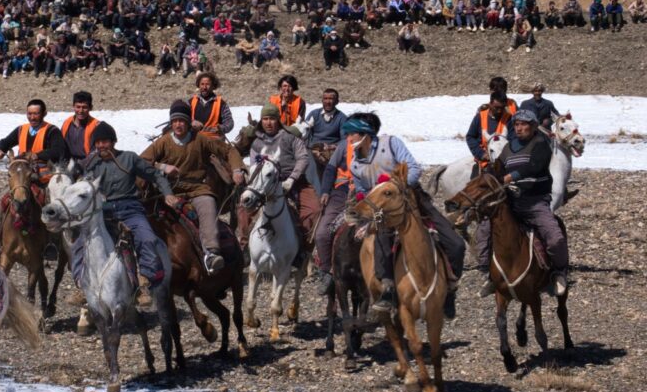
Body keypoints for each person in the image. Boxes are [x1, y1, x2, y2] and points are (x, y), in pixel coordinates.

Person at [323, 114, 464, 320]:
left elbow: (413, 168)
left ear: (364, 134)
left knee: (455, 243)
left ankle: (450, 289)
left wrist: (396, 187)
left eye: (352, 134)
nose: (349, 139)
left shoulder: (390, 144)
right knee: (380, 241)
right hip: (382, 210)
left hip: (412, 200)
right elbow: (363, 190)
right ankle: (387, 289)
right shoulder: (355, 164)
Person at [141, 100, 246, 274]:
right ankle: (149, 259)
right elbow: (142, 160)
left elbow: (229, 151)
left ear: (188, 122)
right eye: (174, 121)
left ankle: (211, 253)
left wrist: (236, 169)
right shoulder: (163, 142)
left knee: (208, 207)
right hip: (169, 190)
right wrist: (162, 167)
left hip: (197, 188)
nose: (178, 124)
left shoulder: (201, 139)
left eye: (181, 120)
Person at [78, 122, 175, 300]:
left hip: (131, 209)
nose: (101, 146)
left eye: (105, 141)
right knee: (84, 243)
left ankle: (144, 281)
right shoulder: (91, 164)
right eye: (97, 142)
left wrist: (168, 194)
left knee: (148, 238)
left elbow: (155, 175)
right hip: (104, 213)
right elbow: (82, 187)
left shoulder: (129, 158)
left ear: (113, 141)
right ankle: (82, 286)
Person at [477, 108, 569, 298]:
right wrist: (489, 178)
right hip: (511, 201)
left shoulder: (542, 144)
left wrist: (509, 177)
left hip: (535, 201)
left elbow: (533, 166)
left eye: (524, 124)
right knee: (484, 230)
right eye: (516, 124)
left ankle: (558, 272)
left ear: (533, 126)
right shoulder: (509, 148)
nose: (519, 128)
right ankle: (489, 274)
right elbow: (498, 168)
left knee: (554, 235)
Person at [238, 103, 322, 262]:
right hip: (265, 184)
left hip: (294, 181)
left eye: (272, 119)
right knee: (243, 207)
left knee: (314, 210)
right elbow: (255, 164)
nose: (268, 123)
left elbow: (303, 158)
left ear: (279, 120)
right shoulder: (257, 142)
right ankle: (244, 248)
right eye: (265, 119)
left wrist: (291, 179)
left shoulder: (290, 138)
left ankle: (304, 249)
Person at [0, 98, 66, 178]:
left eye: (36, 114)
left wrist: (38, 155)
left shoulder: (52, 131)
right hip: (23, 174)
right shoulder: (21, 129)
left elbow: (58, 151)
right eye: (29, 114)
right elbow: (5, 142)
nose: (32, 117)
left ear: (44, 114)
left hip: (45, 177)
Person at [467, 91, 515, 168]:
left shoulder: (509, 119)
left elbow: (513, 139)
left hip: (504, 161)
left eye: (502, 108)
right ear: (490, 104)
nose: (499, 111)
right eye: (496, 108)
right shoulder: (480, 117)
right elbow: (470, 137)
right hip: (483, 160)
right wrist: (481, 154)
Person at [189, 72, 233, 138]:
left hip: (214, 141)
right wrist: (191, 122)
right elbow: (182, 117)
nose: (204, 87)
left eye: (208, 84)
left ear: (213, 86)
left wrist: (221, 128)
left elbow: (229, 122)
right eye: (202, 84)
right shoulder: (191, 101)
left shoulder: (221, 103)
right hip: (194, 139)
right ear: (198, 85)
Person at [60, 91, 99, 160]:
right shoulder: (67, 123)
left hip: (89, 161)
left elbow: (97, 151)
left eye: (84, 107)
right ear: (73, 106)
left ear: (90, 108)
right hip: (69, 161)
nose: (81, 111)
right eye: (78, 107)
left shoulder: (96, 125)